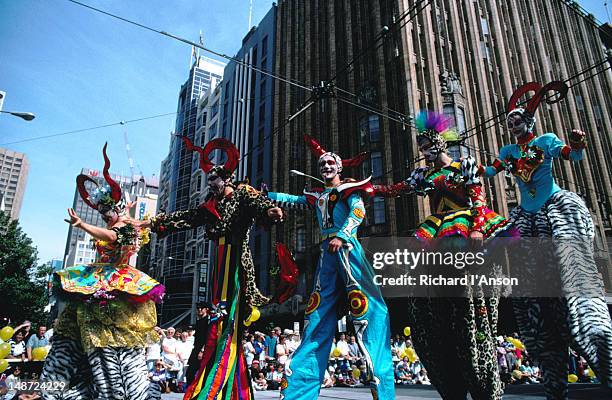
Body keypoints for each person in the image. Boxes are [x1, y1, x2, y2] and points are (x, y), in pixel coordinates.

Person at [482, 81, 612, 398]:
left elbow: (573, 156)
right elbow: (489, 172)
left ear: (529, 121)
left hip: (554, 210)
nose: (512, 125)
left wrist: (578, 144)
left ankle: (599, 349)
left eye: (517, 120)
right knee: (533, 301)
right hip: (526, 219)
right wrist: (465, 171)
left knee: (572, 283)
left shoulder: (545, 141)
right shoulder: (508, 151)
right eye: (508, 122)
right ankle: (553, 375)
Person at [375, 111, 517, 400]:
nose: (423, 151)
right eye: (421, 147)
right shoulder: (425, 175)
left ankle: (481, 377)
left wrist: (477, 229)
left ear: (439, 143)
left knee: (467, 301)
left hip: (464, 227)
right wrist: (367, 188)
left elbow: (478, 199)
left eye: (426, 145)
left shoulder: (464, 167)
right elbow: (394, 190)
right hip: (438, 231)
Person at [144, 137, 283, 400]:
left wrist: (272, 212)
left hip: (235, 257)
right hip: (217, 258)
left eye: (213, 180)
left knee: (230, 315)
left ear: (226, 179)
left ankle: (226, 378)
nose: (210, 184)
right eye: (208, 181)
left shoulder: (243, 193)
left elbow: (262, 205)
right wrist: (155, 223)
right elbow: (186, 218)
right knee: (218, 311)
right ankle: (217, 373)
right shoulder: (211, 205)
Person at [267, 134, 395, 399]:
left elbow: (357, 213)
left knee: (368, 311)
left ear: (339, 168)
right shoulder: (317, 196)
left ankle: (382, 388)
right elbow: (293, 200)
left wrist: (343, 235)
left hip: (347, 250)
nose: (325, 167)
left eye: (330, 164)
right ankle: (299, 392)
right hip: (327, 254)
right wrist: (266, 194)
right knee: (317, 316)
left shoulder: (349, 190)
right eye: (322, 164)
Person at [37, 143, 164, 400]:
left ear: (119, 209)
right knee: (69, 336)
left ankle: (120, 389)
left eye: (107, 213)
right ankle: (59, 387)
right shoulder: (119, 223)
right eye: (102, 214)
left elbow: (112, 235)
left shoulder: (126, 227)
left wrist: (82, 224)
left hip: (117, 282)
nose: (105, 217)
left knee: (112, 344)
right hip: (95, 281)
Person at [185, 302, 210, 382]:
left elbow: (207, 337)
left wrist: (202, 350)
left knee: (200, 372)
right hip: (196, 348)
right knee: (189, 373)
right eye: (198, 308)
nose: (199, 310)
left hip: (203, 350)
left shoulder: (208, 322)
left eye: (201, 308)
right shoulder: (199, 321)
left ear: (206, 309)